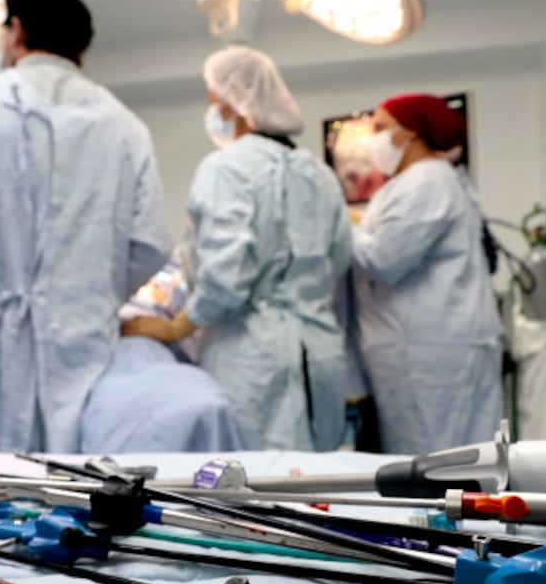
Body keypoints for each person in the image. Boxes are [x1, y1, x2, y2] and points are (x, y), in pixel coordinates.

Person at [0, 0, 170, 451]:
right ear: (82, 50)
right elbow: (149, 245)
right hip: (85, 341)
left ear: (17, 31)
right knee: (80, 491)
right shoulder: (125, 125)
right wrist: (88, 291)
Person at [122, 47, 350, 451]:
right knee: (319, 485)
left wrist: (178, 326)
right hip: (320, 353)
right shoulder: (320, 173)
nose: (213, 114)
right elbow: (339, 259)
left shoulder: (226, 168)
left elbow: (227, 276)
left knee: (256, 492)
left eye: (215, 104)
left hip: (252, 359)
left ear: (237, 106)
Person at [351, 93, 504, 455]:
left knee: (436, 458)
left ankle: (448, 514)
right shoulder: (423, 180)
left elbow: (383, 259)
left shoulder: (426, 181)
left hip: (429, 351)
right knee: (458, 455)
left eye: (380, 128)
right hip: (435, 345)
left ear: (410, 133)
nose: (372, 139)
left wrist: (338, 223)